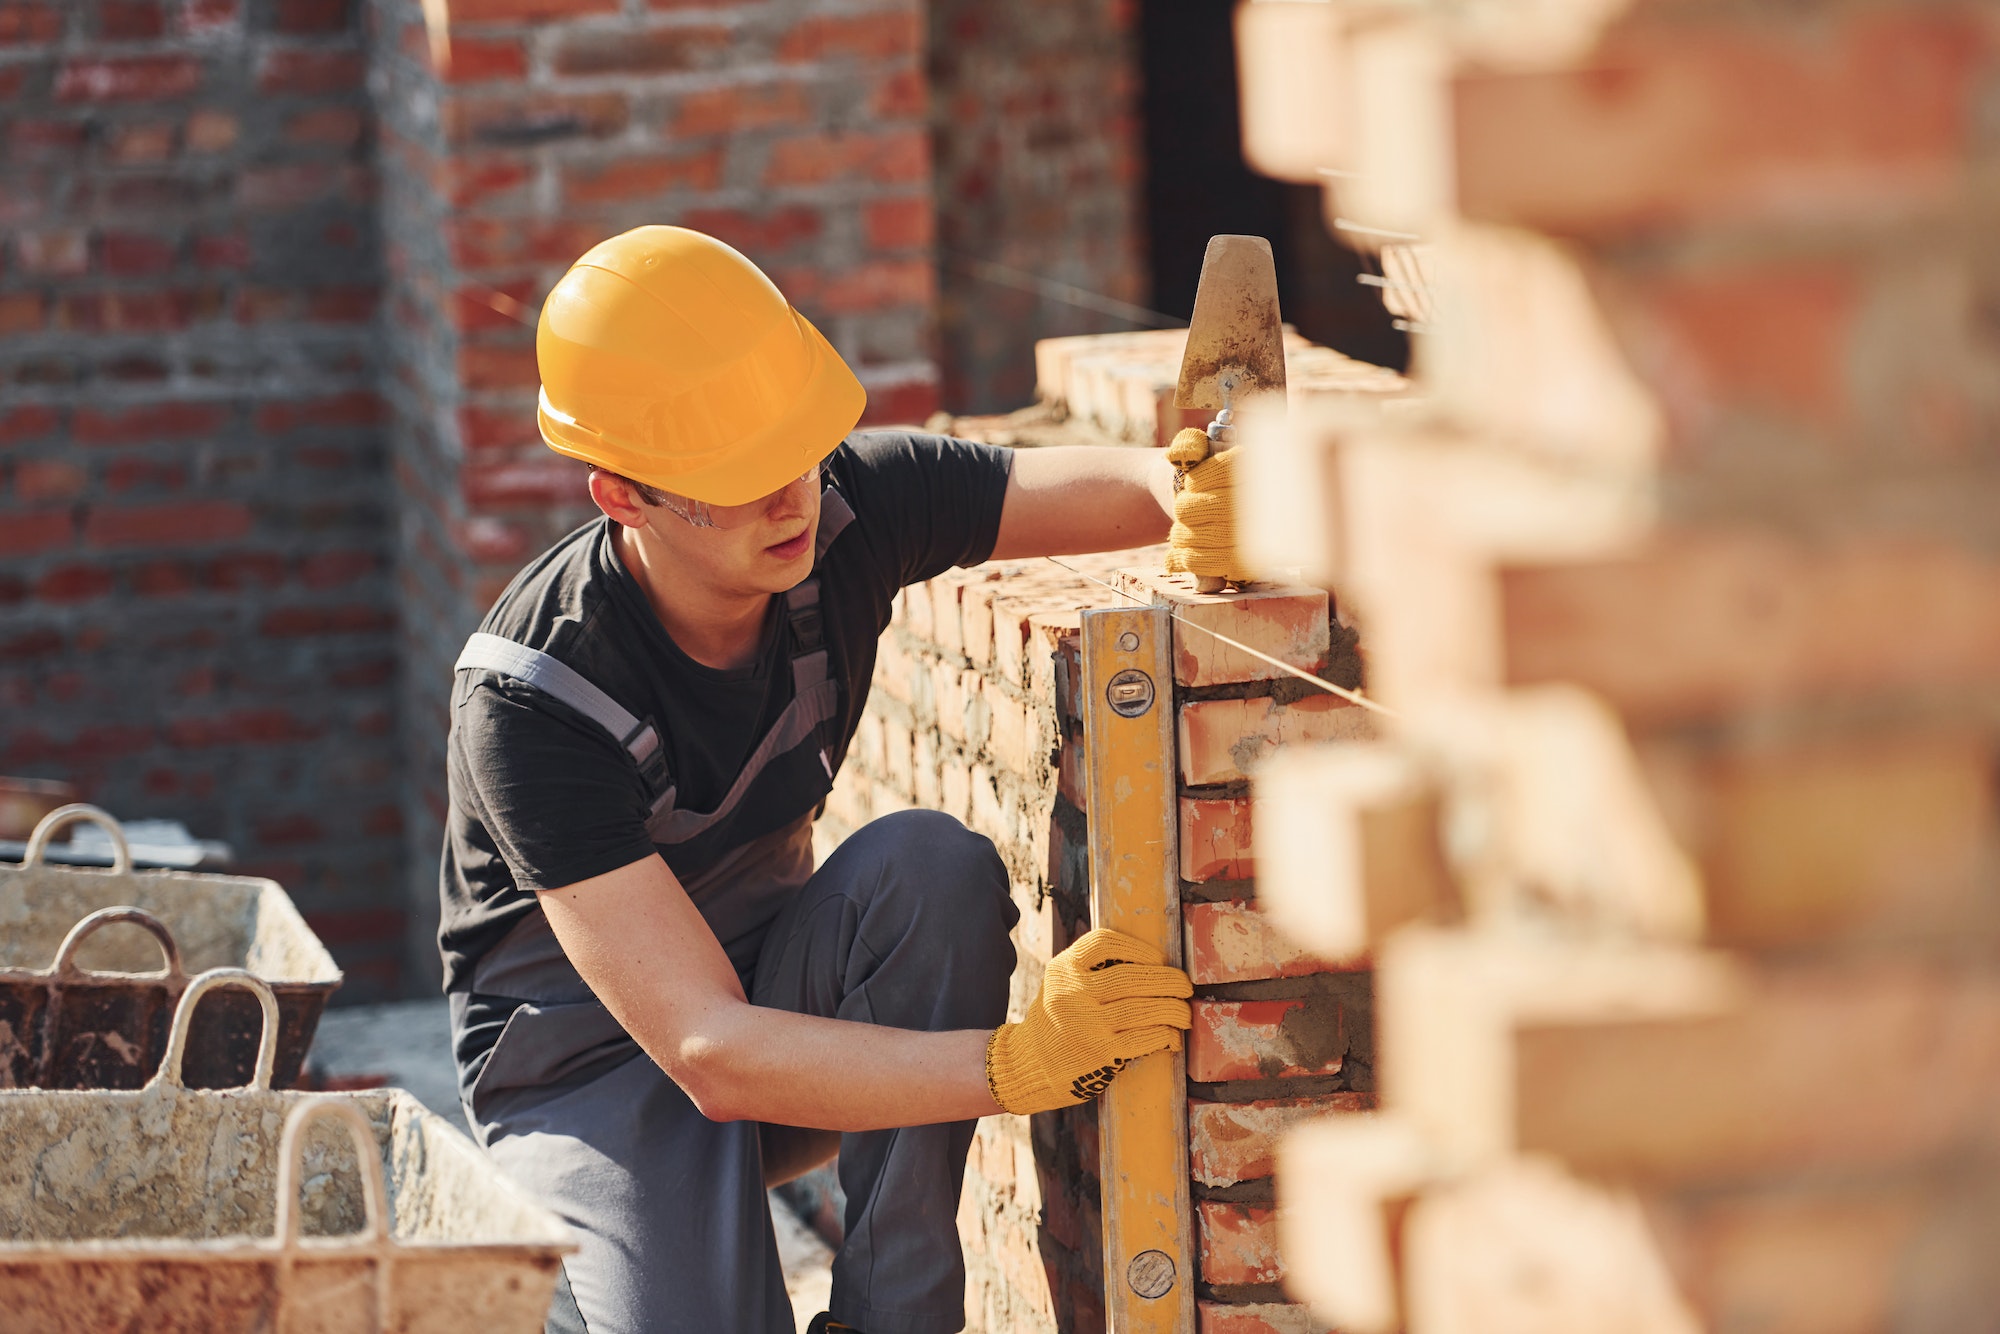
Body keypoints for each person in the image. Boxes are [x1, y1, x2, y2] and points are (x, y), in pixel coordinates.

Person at [440, 226, 1209, 1334]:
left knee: (923, 870)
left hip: (777, 1003)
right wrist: (1018, 1062)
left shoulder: (842, 509)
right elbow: (706, 1052)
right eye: (736, 480)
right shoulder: (532, 700)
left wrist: (1193, 484)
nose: (789, 499)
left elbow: (1106, 490)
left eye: (794, 450)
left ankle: (889, 1319)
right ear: (623, 498)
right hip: (589, 1076)